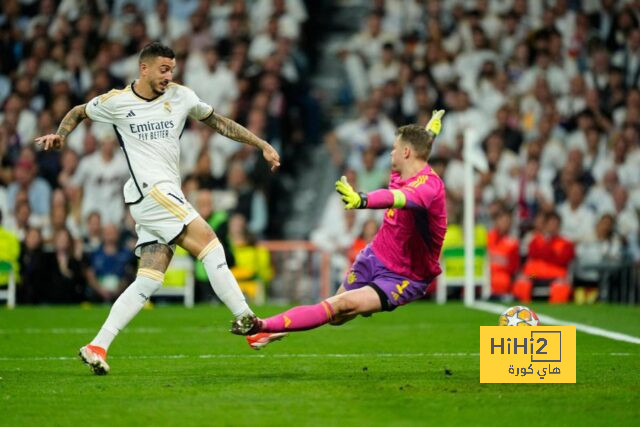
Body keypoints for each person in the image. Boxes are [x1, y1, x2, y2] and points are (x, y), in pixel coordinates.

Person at [35, 42, 281, 374]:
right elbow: (78, 111)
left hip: (156, 197)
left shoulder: (180, 97)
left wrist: (260, 144)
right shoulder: (117, 102)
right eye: (163, 70)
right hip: (152, 192)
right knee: (210, 245)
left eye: (172, 70)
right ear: (144, 69)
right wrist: (61, 134)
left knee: (148, 281)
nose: (169, 76)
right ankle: (248, 323)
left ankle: (97, 345)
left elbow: (219, 122)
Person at [231, 111, 447, 349]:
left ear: (406, 152)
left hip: (404, 276)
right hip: (375, 256)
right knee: (336, 317)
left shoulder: (429, 187)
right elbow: (419, 151)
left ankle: (261, 326)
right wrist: (430, 133)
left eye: (395, 148)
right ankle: (287, 324)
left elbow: (395, 197)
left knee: (339, 305)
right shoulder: (402, 169)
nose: (391, 152)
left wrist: (361, 199)